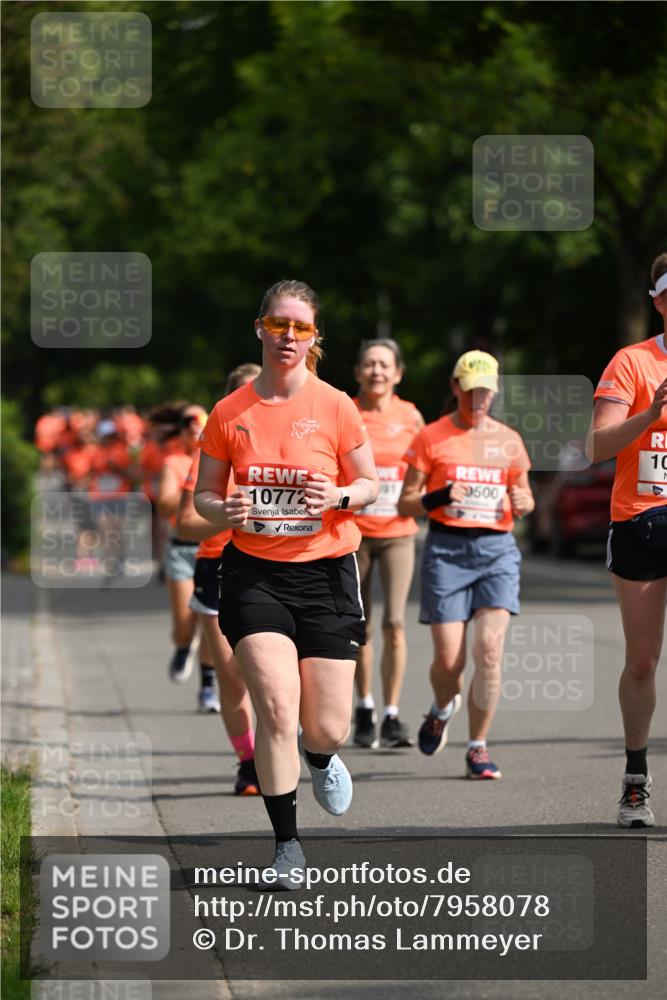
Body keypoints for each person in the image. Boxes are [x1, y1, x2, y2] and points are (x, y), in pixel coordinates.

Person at [194, 280, 378, 887]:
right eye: (278, 325)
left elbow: (371, 486)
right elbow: (203, 498)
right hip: (254, 574)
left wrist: (342, 494)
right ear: (260, 328)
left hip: (327, 572)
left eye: (300, 328)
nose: (288, 337)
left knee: (325, 724)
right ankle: (286, 845)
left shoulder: (336, 405)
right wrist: (228, 511)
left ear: (314, 337)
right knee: (276, 707)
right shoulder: (229, 413)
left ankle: (321, 755)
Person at [398, 350, 534, 780]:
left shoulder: (509, 440)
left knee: (489, 652)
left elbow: (525, 495)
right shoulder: (431, 437)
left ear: (493, 392)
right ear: (455, 387)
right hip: (447, 551)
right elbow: (404, 501)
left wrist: (524, 501)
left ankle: (478, 747)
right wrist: (438, 498)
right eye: (470, 390)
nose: (478, 399)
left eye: (485, 391)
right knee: (449, 663)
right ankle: (441, 708)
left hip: (496, 552)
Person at [590, 252, 667, 828]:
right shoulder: (632, 363)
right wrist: (651, 413)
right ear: (660, 301)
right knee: (642, 660)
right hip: (641, 520)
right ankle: (636, 779)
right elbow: (597, 446)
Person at [177, 363, 262, 795]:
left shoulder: (286, 446)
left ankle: (279, 743)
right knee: (232, 677)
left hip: (274, 564)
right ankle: (249, 762)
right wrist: (222, 517)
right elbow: (184, 525)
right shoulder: (210, 450)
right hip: (218, 567)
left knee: (272, 672)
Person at [352, 338, 424, 748]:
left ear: (397, 373)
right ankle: (364, 708)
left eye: (384, 365)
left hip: (398, 532)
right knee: (359, 626)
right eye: (369, 364)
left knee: (395, 622)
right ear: (358, 371)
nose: (376, 371)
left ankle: (392, 714)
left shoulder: (411, 417)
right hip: (354, 533)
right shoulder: (346, 411)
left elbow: (426, 467)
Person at [158, 403, 219, 712]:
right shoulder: (175, 463)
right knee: (185, 623)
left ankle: (207, 686)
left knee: (211, 620)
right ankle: (183, 646)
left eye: (201, 424)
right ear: (181, 433)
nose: (196, 430)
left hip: (210, 548)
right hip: (183, 549)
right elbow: (166, 507)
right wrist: (189, 490)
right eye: (190, 426)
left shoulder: (216, 458)